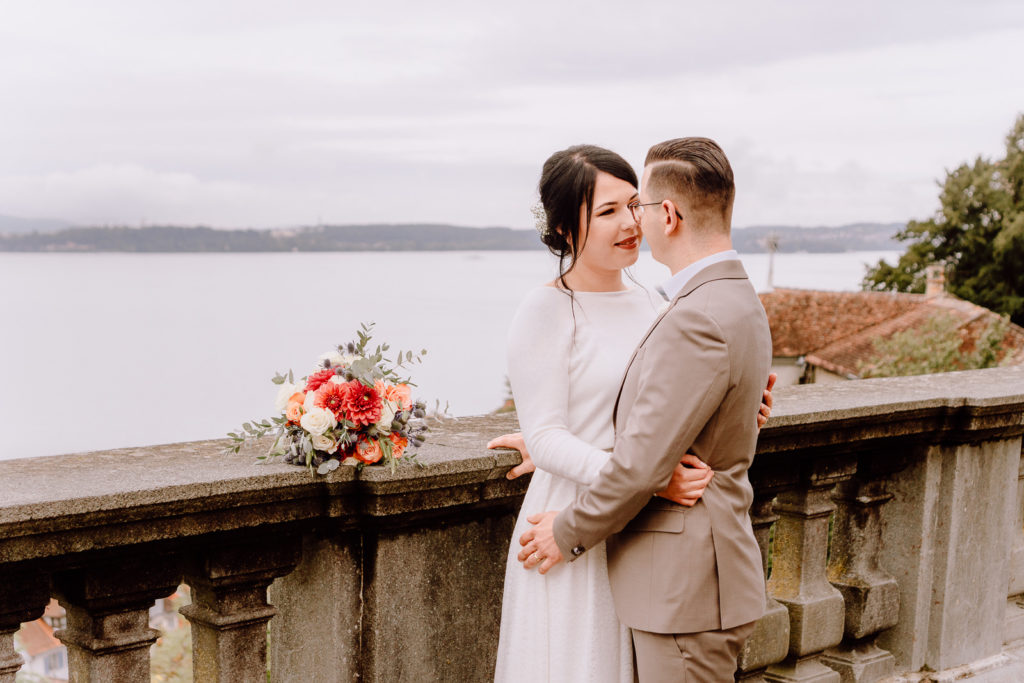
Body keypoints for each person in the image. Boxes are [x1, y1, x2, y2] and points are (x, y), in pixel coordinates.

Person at [492, 143, 774, 683]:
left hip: (643, 533)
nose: (630, 223)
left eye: (633, 205)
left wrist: (743, 404)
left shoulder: (657, 303)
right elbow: (548, 433)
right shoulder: (546, 309)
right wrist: (647, 479)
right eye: (607, 212)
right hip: (576, 514)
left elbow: (676, 404)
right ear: (564, 231)